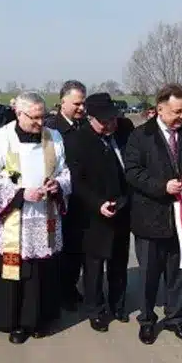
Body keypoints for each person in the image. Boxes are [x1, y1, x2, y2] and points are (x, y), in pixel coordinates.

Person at [0, 93, 72, 342]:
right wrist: (19, 193)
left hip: (44, 216)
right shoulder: (0, 138)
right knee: (15, 269)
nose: (41, 123)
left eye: (43, 116)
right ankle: (15, 322)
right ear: (19, 114)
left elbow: (65, 171)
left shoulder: (54, 137)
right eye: (35, 117)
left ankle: (41, 318)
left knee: (42, 269)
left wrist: (58, 185)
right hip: (14, 217)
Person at [123, 83, 182, 345]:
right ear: (160, 109)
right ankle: (147, 320)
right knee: (149, 274)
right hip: (151, 215)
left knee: (178, 274)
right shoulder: (141, 136)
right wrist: (161, 186)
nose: (181, 117)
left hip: (181, 217)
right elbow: (132, 171)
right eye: (175, 112)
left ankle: (176, 319)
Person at [64, 93, 134, 331]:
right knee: (94, 265)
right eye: (104, 121)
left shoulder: (123, 131)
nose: (110, 125)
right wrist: (97, 204)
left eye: (112, 119)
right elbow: (76, 181)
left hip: (123, 207)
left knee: (119, 261)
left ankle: (118, 305)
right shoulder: (78, 140)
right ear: (91, 118)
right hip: (93, 213)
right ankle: (95, 309)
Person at [44, 81, 87, 309]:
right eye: (77, 103)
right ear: (63, 102)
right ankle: (58, 290)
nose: (81, 108)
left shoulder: (84, 126)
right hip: (58, 196)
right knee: (58, 247)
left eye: (83, 103)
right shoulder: (51, 129)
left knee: (75, 247)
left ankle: (69, 287)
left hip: (80, 196)